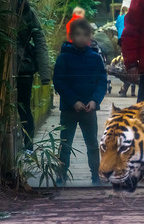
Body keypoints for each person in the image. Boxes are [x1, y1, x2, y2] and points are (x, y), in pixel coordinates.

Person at [53, 19, 107, 185]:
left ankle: (95, 175)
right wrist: (73, 101)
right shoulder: (63, 58)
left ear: (90, 36)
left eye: (85, 35)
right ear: (71, 36)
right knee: (65, 144)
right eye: (78, 34)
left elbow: (102, 82)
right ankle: (61, 175)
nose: (81, 38)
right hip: (69, 110)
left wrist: (95, 101)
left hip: (89, 110)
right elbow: (59, 82)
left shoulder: (95, 58)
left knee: (92, 144)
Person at [16, 0, 50, 151]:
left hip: (23, 67)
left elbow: (40, 40)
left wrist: (45, 75)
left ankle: (28, 147)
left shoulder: (27, 11)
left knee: (23, 108)